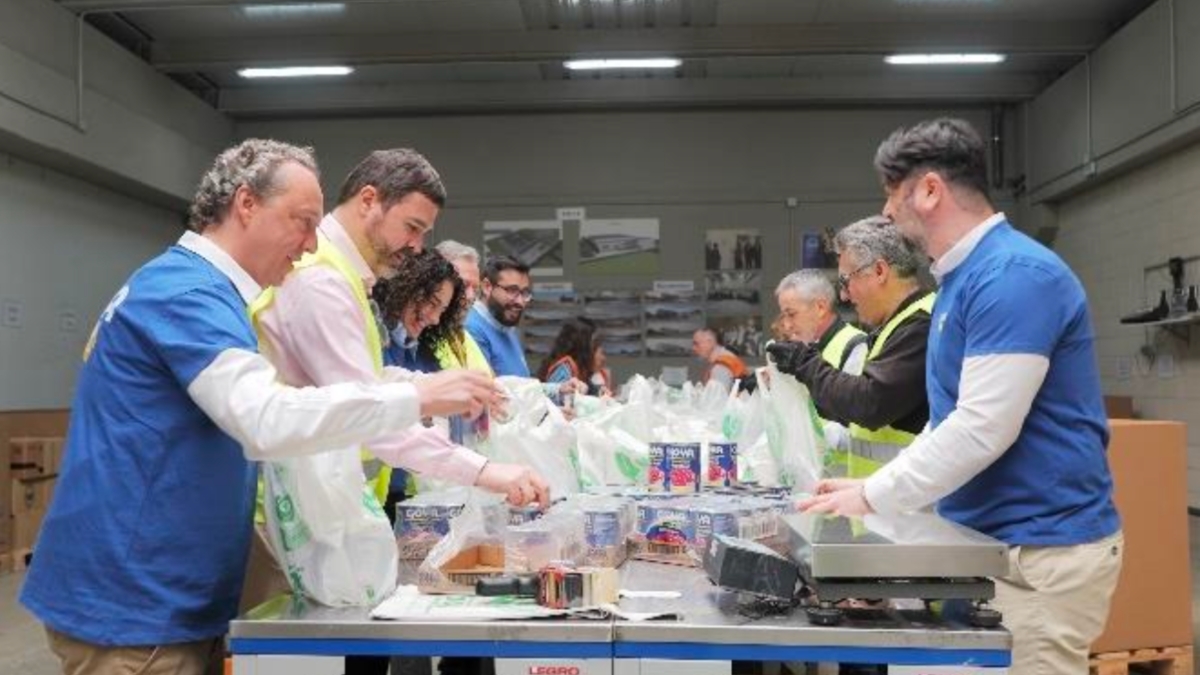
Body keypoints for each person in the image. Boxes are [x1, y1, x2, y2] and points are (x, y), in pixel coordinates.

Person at [19, 139, 503, 675]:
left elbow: (302, 392)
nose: (311, 242)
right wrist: (417, 397)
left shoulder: (203, 291)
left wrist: (413, 389)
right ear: (246, 204)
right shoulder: (187, 296)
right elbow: (266, 418)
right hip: (136, 608)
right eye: (302, 221)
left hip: (165, 593)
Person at [799, 118, 1123, 675]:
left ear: (929, 190)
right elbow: (950, 416)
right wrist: (874, 486)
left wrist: (875, 495)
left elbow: (982, 427)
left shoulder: (1013, 275)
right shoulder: (961, 280)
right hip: (987, 547)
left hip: (1038, 555)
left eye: (892, 195)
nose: (886, 213)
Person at [767, 216, 934, 478]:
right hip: (883, 496)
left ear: (879, 271)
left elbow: (871, 403)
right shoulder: (895, 325)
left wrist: (805, 362)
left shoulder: (920, 324)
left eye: (846, 281)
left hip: (907, 498)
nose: (844, 296)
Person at [466, 255, 585, 397]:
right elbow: (491, 396)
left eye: (525, 293)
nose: (520, 302)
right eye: (512, 290)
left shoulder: (505, 325)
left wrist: (559, 389)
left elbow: (522, 388)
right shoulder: (471, 329)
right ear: (487, 287)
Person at [775, 270, 867, 375]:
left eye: (791, 314)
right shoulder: (807, 346)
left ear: (820, 308)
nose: (787, 325)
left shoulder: (857, 346)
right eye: (784, 316)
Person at [535, 317, 611, 397]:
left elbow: (588, 389)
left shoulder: (581, 370)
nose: (597, 349)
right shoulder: (564, 370)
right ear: (582, 347)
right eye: (595, 345)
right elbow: (556, 397)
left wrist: (598, 391)